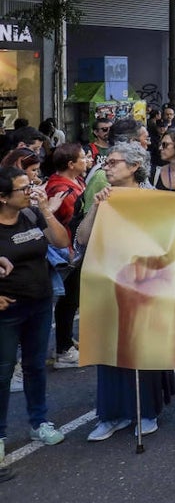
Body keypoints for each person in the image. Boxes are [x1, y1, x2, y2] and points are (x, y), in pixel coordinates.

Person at [74, 143, 175, 441]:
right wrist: (96, 206)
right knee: (108, 347)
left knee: (142, 347)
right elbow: (81, 238)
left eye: (115, 162)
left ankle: (146, 412)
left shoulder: (151, 197)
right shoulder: (101, 197)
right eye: (107, 162)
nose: (107, 166)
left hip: (145, 283)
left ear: (134, 167)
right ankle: (111, 414)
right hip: (106, 282)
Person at [0, 166, 71, 455]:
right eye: (23, 188)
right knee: (3, 372)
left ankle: (39, 422)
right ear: (3, 197)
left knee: (35, 366)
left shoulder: (30, 214)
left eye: (31, 185)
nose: (31, 191)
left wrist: (45, 209)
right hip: (8, 309)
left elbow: (61, 242)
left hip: (40, 303)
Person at [44, 143, 90, 369]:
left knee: (71, 299)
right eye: (82, 158)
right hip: (66, 252)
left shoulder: (77, 181)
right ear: (71, 164)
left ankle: (65, 341)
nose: (87, 160)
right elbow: (68, 220)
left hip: (75, 250)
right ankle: (63, 348)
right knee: (67, 299)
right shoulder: (60, 189)